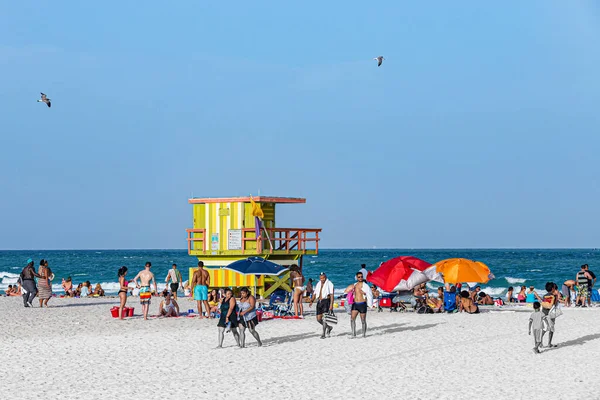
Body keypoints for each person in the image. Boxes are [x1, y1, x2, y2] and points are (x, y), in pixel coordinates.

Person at [347, 271, 373, 338]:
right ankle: (353, 334)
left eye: (361, 277)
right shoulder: (354, 285)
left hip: (362, 304)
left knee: (363, 320)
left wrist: (365, 293)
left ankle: (363, 334)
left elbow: (370, 294)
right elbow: (348, 292)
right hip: (355, 304)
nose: (360, 278)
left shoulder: (365, 285)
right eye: (359, 277)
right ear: (357, 278)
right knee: (352, 319)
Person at [309, 272, 335, 339]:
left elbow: (332, 295)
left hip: (326, 301)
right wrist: (312, 300)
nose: (322, 279)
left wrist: (331, 305)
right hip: (319, 301)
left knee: (324, 318)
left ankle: (323, 334)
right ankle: (329, 327)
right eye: (321, 278)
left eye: (323, 278)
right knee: (318, 319)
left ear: (325, 277)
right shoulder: (318, 284)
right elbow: (315, 293)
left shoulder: (330, 284)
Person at [541, 282, 559, 348]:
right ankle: (549, 343)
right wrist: (557, 296)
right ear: (552, 288)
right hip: (550, 314)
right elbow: (555, 304)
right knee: (551, 329)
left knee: (545, 328)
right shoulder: (553, 296)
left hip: (543, 313)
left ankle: (540, 342)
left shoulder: (544, 296)